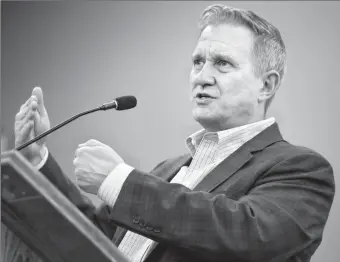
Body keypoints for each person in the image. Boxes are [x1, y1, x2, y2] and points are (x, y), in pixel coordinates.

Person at [14, 4, 335, 262]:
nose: (202, 76)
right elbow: (93, 237)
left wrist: (118, 180)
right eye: (198, 62)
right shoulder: (168, 170)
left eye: (222, 63)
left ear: (266, 85)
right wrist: (36, 161)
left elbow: (246, 234)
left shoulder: (302, 170)